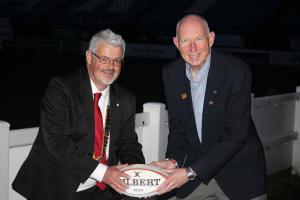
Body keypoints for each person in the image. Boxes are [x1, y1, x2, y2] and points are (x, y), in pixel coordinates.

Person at [12, 29, 145, 200]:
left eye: (117, 61)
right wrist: (104, 173)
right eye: (104, 59)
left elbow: (129, 144)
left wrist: (140, 175)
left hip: (102, 190)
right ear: (89, 57)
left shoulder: (126, 99)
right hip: (59, 188)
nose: (111, 67)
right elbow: (58, 143)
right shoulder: (61, 88)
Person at [152, 14, 267, 200]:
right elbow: (178, 127)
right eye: (185, 41)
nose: (192, 48)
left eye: (198, 39)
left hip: (239, 172)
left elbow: (236, 136)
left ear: (211, 38)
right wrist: (172, 161)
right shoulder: (171, 73)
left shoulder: (236, 70)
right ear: (176, 43)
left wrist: (190, 172)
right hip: (196, 171)